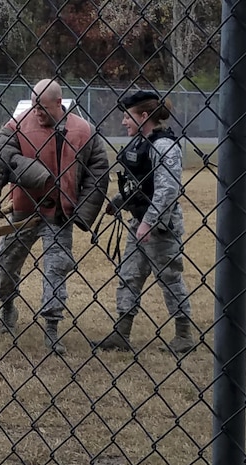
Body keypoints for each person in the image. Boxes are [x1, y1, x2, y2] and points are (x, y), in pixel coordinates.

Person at [0, 79, 109, 355]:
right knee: (6, 265)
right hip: (23, 211)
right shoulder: (16, 125)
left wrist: (83, 211)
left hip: (60, 215)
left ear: (59, 103)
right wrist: (39, 175)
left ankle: (52, 328)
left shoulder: (83, 131)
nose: (37, 112)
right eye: (34, 106)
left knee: (56, 270)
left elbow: (98, 170)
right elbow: (6, 157)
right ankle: (8, 305)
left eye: (42, 107)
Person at [91, 90, 195, 354]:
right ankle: (121, 334)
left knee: (170, 278)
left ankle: (184, 336)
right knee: (129, 277)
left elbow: (167, 191)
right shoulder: (141, 143)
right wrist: (118, 202)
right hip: (139, 223)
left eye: (128, 116)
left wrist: (148, 223)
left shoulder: (164, 146)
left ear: (144, 116)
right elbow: (140, 186)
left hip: (161, 228)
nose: (124, 122)